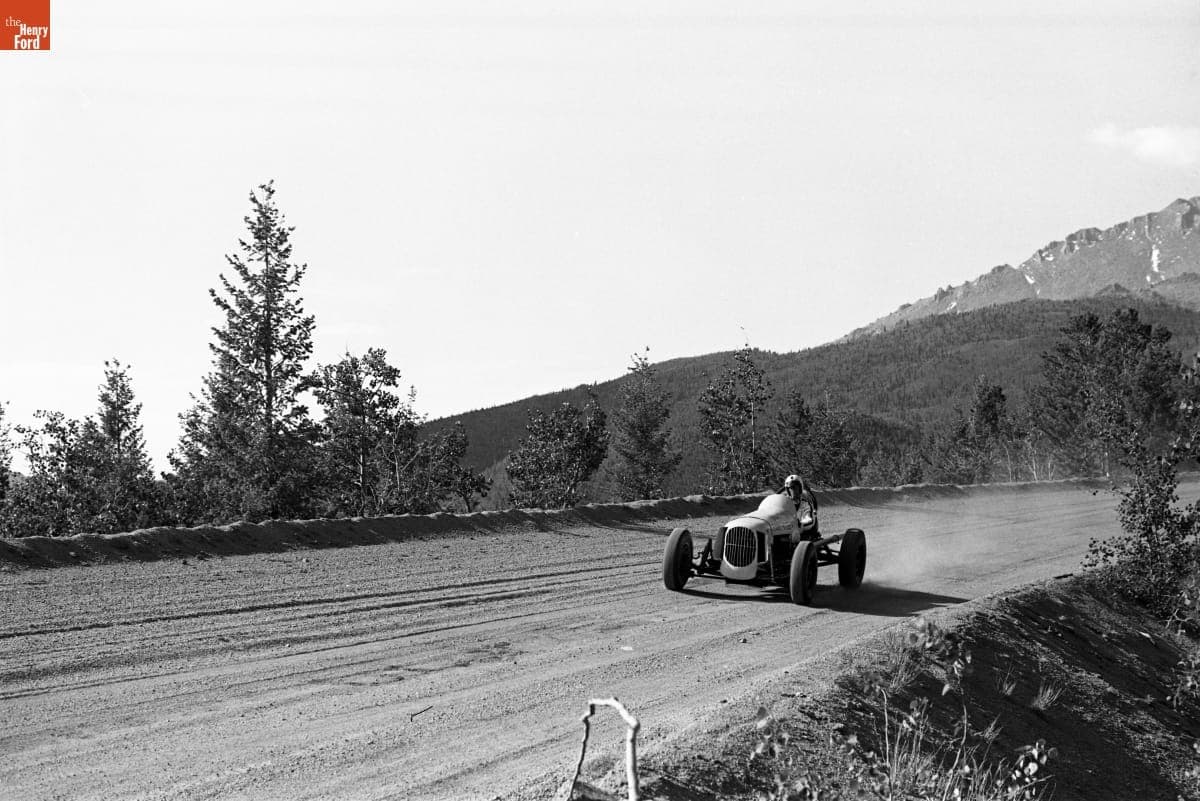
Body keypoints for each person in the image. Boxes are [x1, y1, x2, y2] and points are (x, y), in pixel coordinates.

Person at [782, 474, 819, 542]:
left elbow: (808, 519)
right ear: (788, 490)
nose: (794, 491)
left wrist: (799, 524)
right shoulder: (783, 504)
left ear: (800, 489)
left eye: (796, 488)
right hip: (785, 532)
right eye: (791, 488)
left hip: (802, 535)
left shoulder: (805, 504)